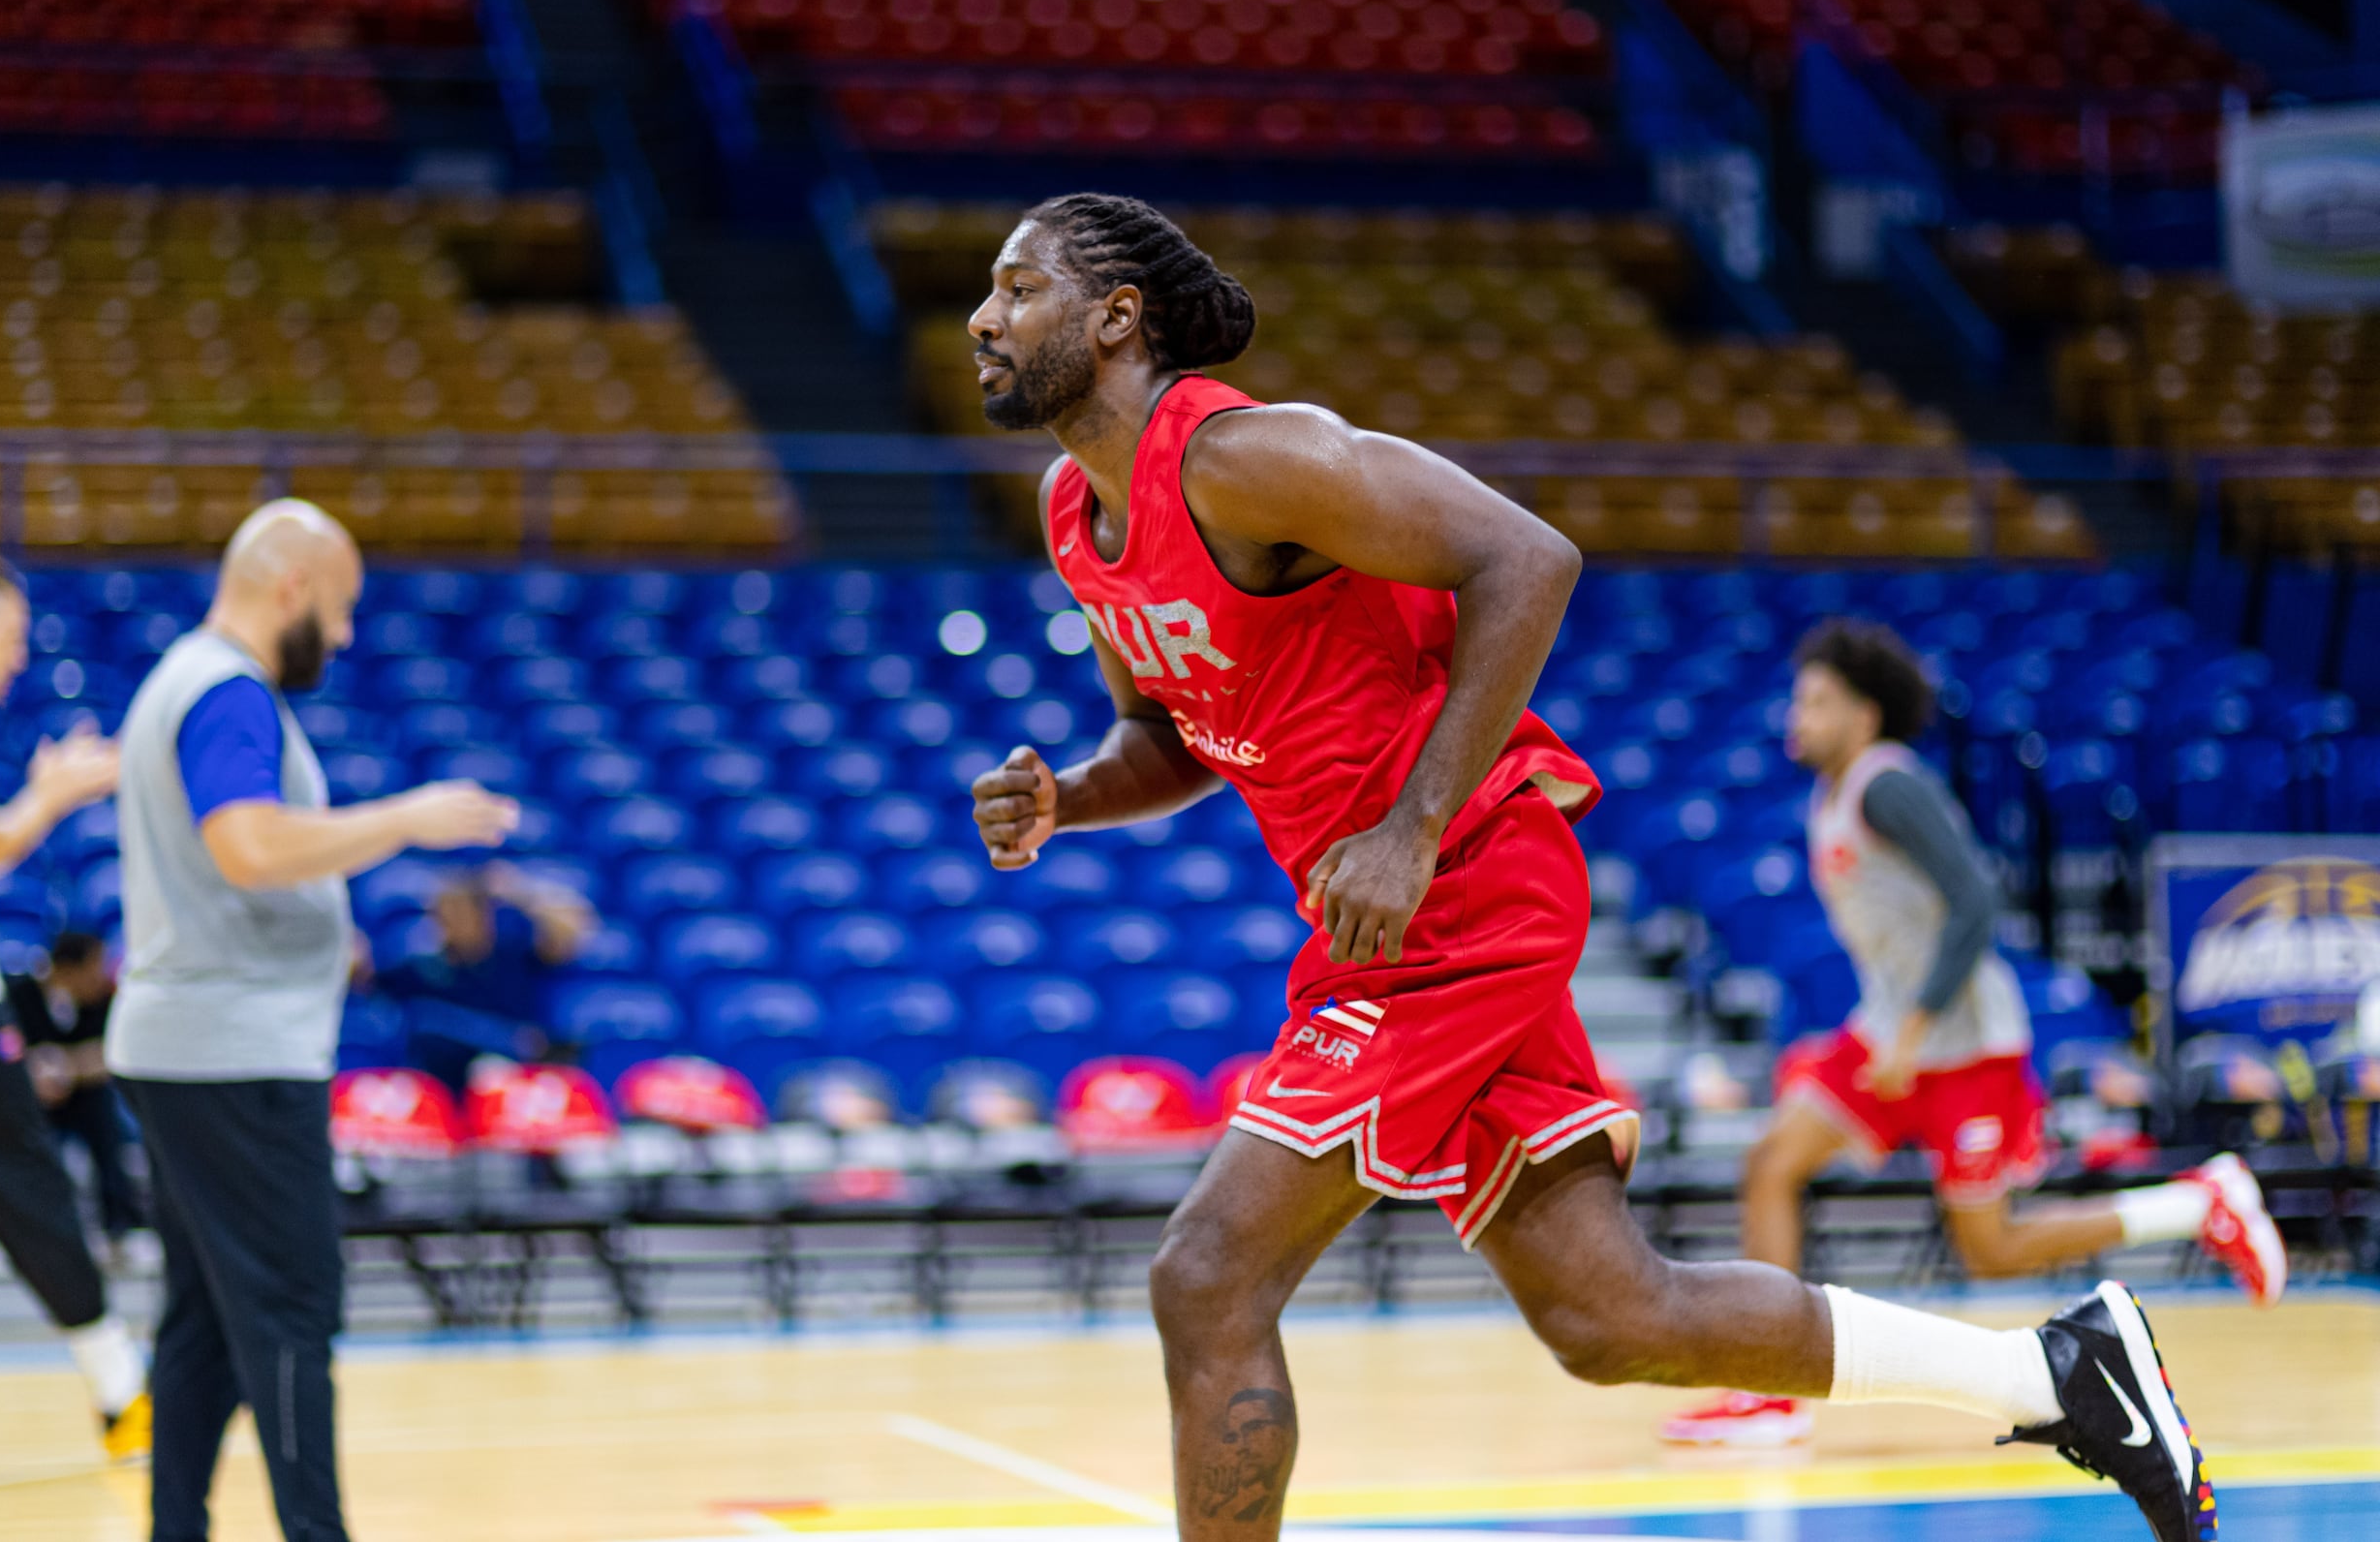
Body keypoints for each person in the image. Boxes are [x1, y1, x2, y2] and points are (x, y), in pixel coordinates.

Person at [963, 195, 2219, 1542]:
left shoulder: (1243, 455)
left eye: (1017, 288)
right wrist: (1072, 795)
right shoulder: (1072, 513)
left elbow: (1527, 556)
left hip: (1467, 886)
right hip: (1399, 918)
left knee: (1206, 1273)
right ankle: (2064, 1370)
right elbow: (1175, 730)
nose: (984, 315)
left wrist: (1416, 824)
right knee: (1611, 1316)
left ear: (1116, 318)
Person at [1663, 619, 2286, 1447]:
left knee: (1990, 1249)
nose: (1797, 715)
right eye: (1797, 698)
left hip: (1962, 1044)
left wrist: (1916, 1028)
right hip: (1890, 1031)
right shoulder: (1835, 791)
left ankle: (2198, 1200)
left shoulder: (1888, 784)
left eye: (1816, 700)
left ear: (1865, 713)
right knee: (1771, 1163)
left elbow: (1976, 898)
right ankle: (1771, 1390)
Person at [108, 500, 520, 1542]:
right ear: (289, 585)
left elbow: (230, 864)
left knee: (203, 1321)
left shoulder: (183, 679)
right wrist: (405, 820)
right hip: (232, 1056)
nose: (342, 636)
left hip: (187, 1045)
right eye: (339, 610)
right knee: (291, 1313)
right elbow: (245, 845)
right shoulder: (228, 691)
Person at [0, 548, 152, 1462]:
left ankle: (118, 1383)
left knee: (23, 1187)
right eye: (9, 636)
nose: (19, 655)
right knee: (30, 1188)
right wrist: (50, 793)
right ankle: (122, 1390)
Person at [386, 863, 597, 1090]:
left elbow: (572, 932)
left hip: (518, 1087)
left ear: (483, 913)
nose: (450, 921)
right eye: (442, 912)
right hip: (447, 1094)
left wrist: (519, 892)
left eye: (460, 910)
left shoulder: (515, 955)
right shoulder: (420, 970)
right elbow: (367, 981)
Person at [6, 931, 147, 1259]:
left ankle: (118, 1226)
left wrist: (66, 1066)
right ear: (68, 970)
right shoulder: (20, 993)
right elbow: (2, 1046)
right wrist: (34, 1069)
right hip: (29, 1096)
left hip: (82, 1095)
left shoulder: (104, 999)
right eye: (95, 967)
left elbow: (110, 1053)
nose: (101, 975)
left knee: (105, 1121)